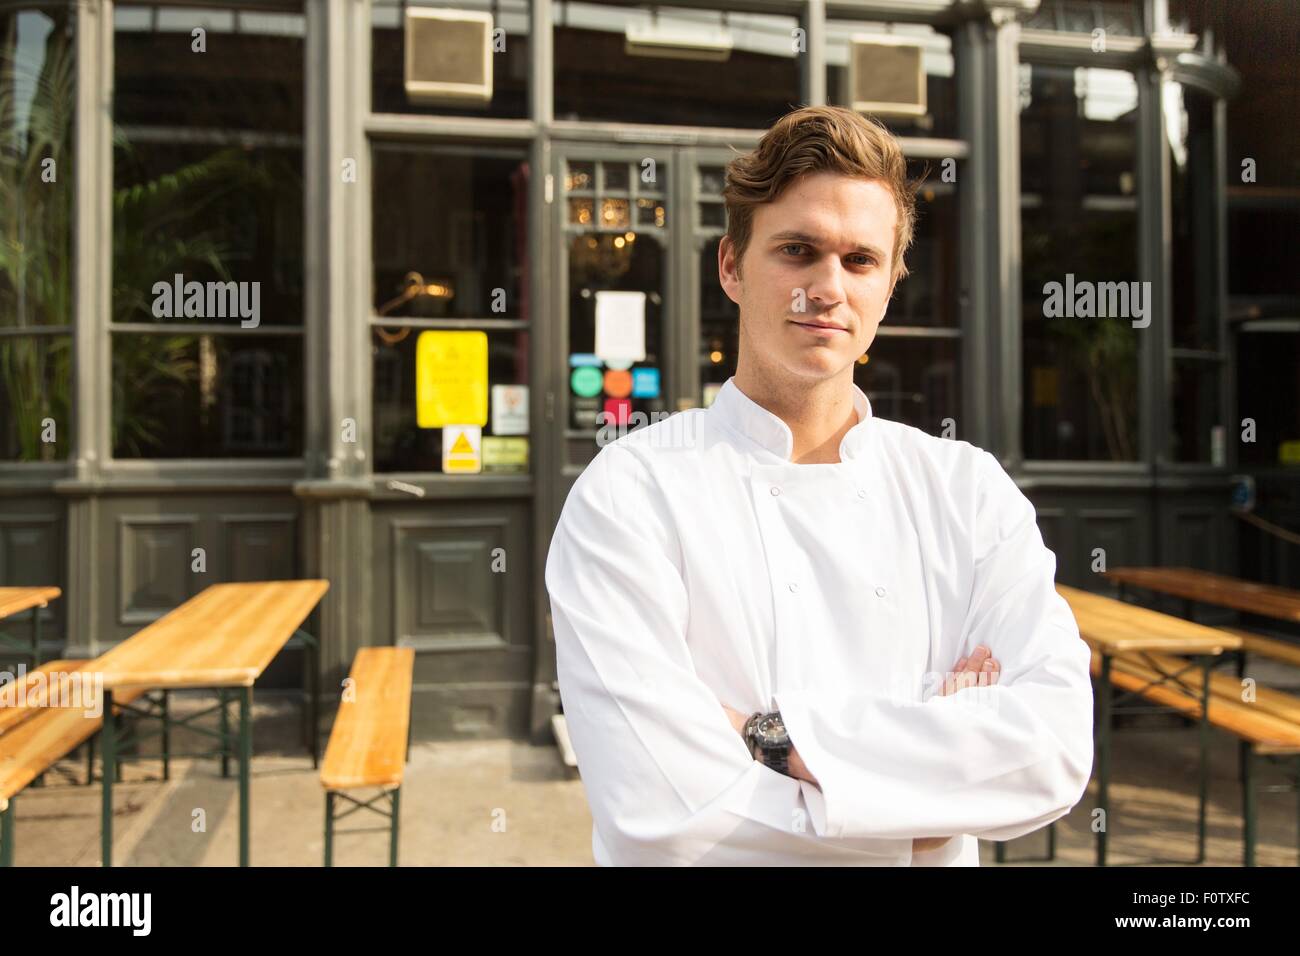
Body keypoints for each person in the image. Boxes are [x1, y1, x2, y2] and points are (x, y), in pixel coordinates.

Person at [544, 105, 1094, 866]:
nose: (827, 288)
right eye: (797, 251)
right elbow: (663, 814)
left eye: (860, 260)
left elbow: (1052, 752)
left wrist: (755, 735)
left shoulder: (966, 491)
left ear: (891, 284)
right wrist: (922, 812)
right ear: (731, 267)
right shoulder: (630, 493)